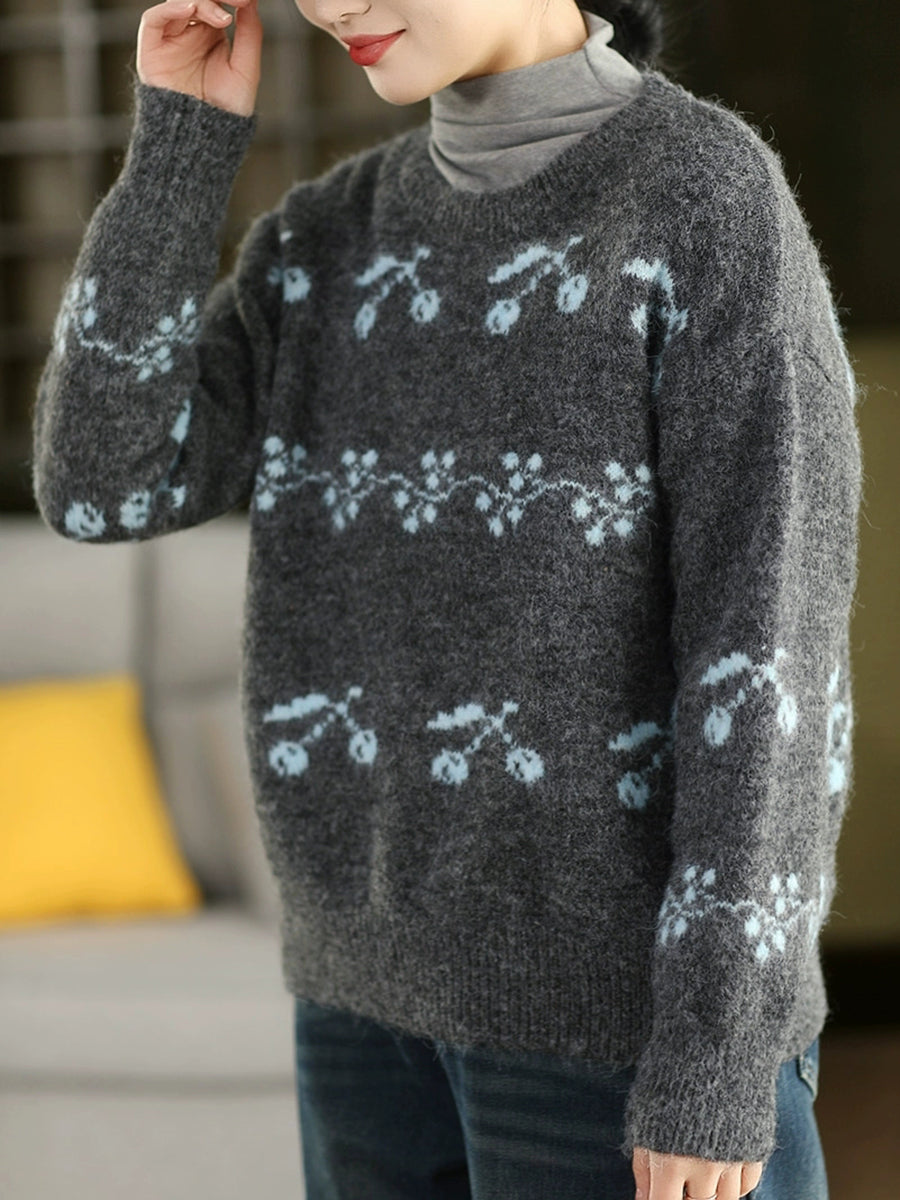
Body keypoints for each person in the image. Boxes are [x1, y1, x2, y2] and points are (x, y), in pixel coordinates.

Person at [30, 1, 863, 1197]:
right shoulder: (324, 237)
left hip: (618, 1041)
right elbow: (101, 483)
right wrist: (180, 145)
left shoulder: (704, 198)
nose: (331, 7)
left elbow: (769, 650)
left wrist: (717, 1055)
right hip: (361, 1023)